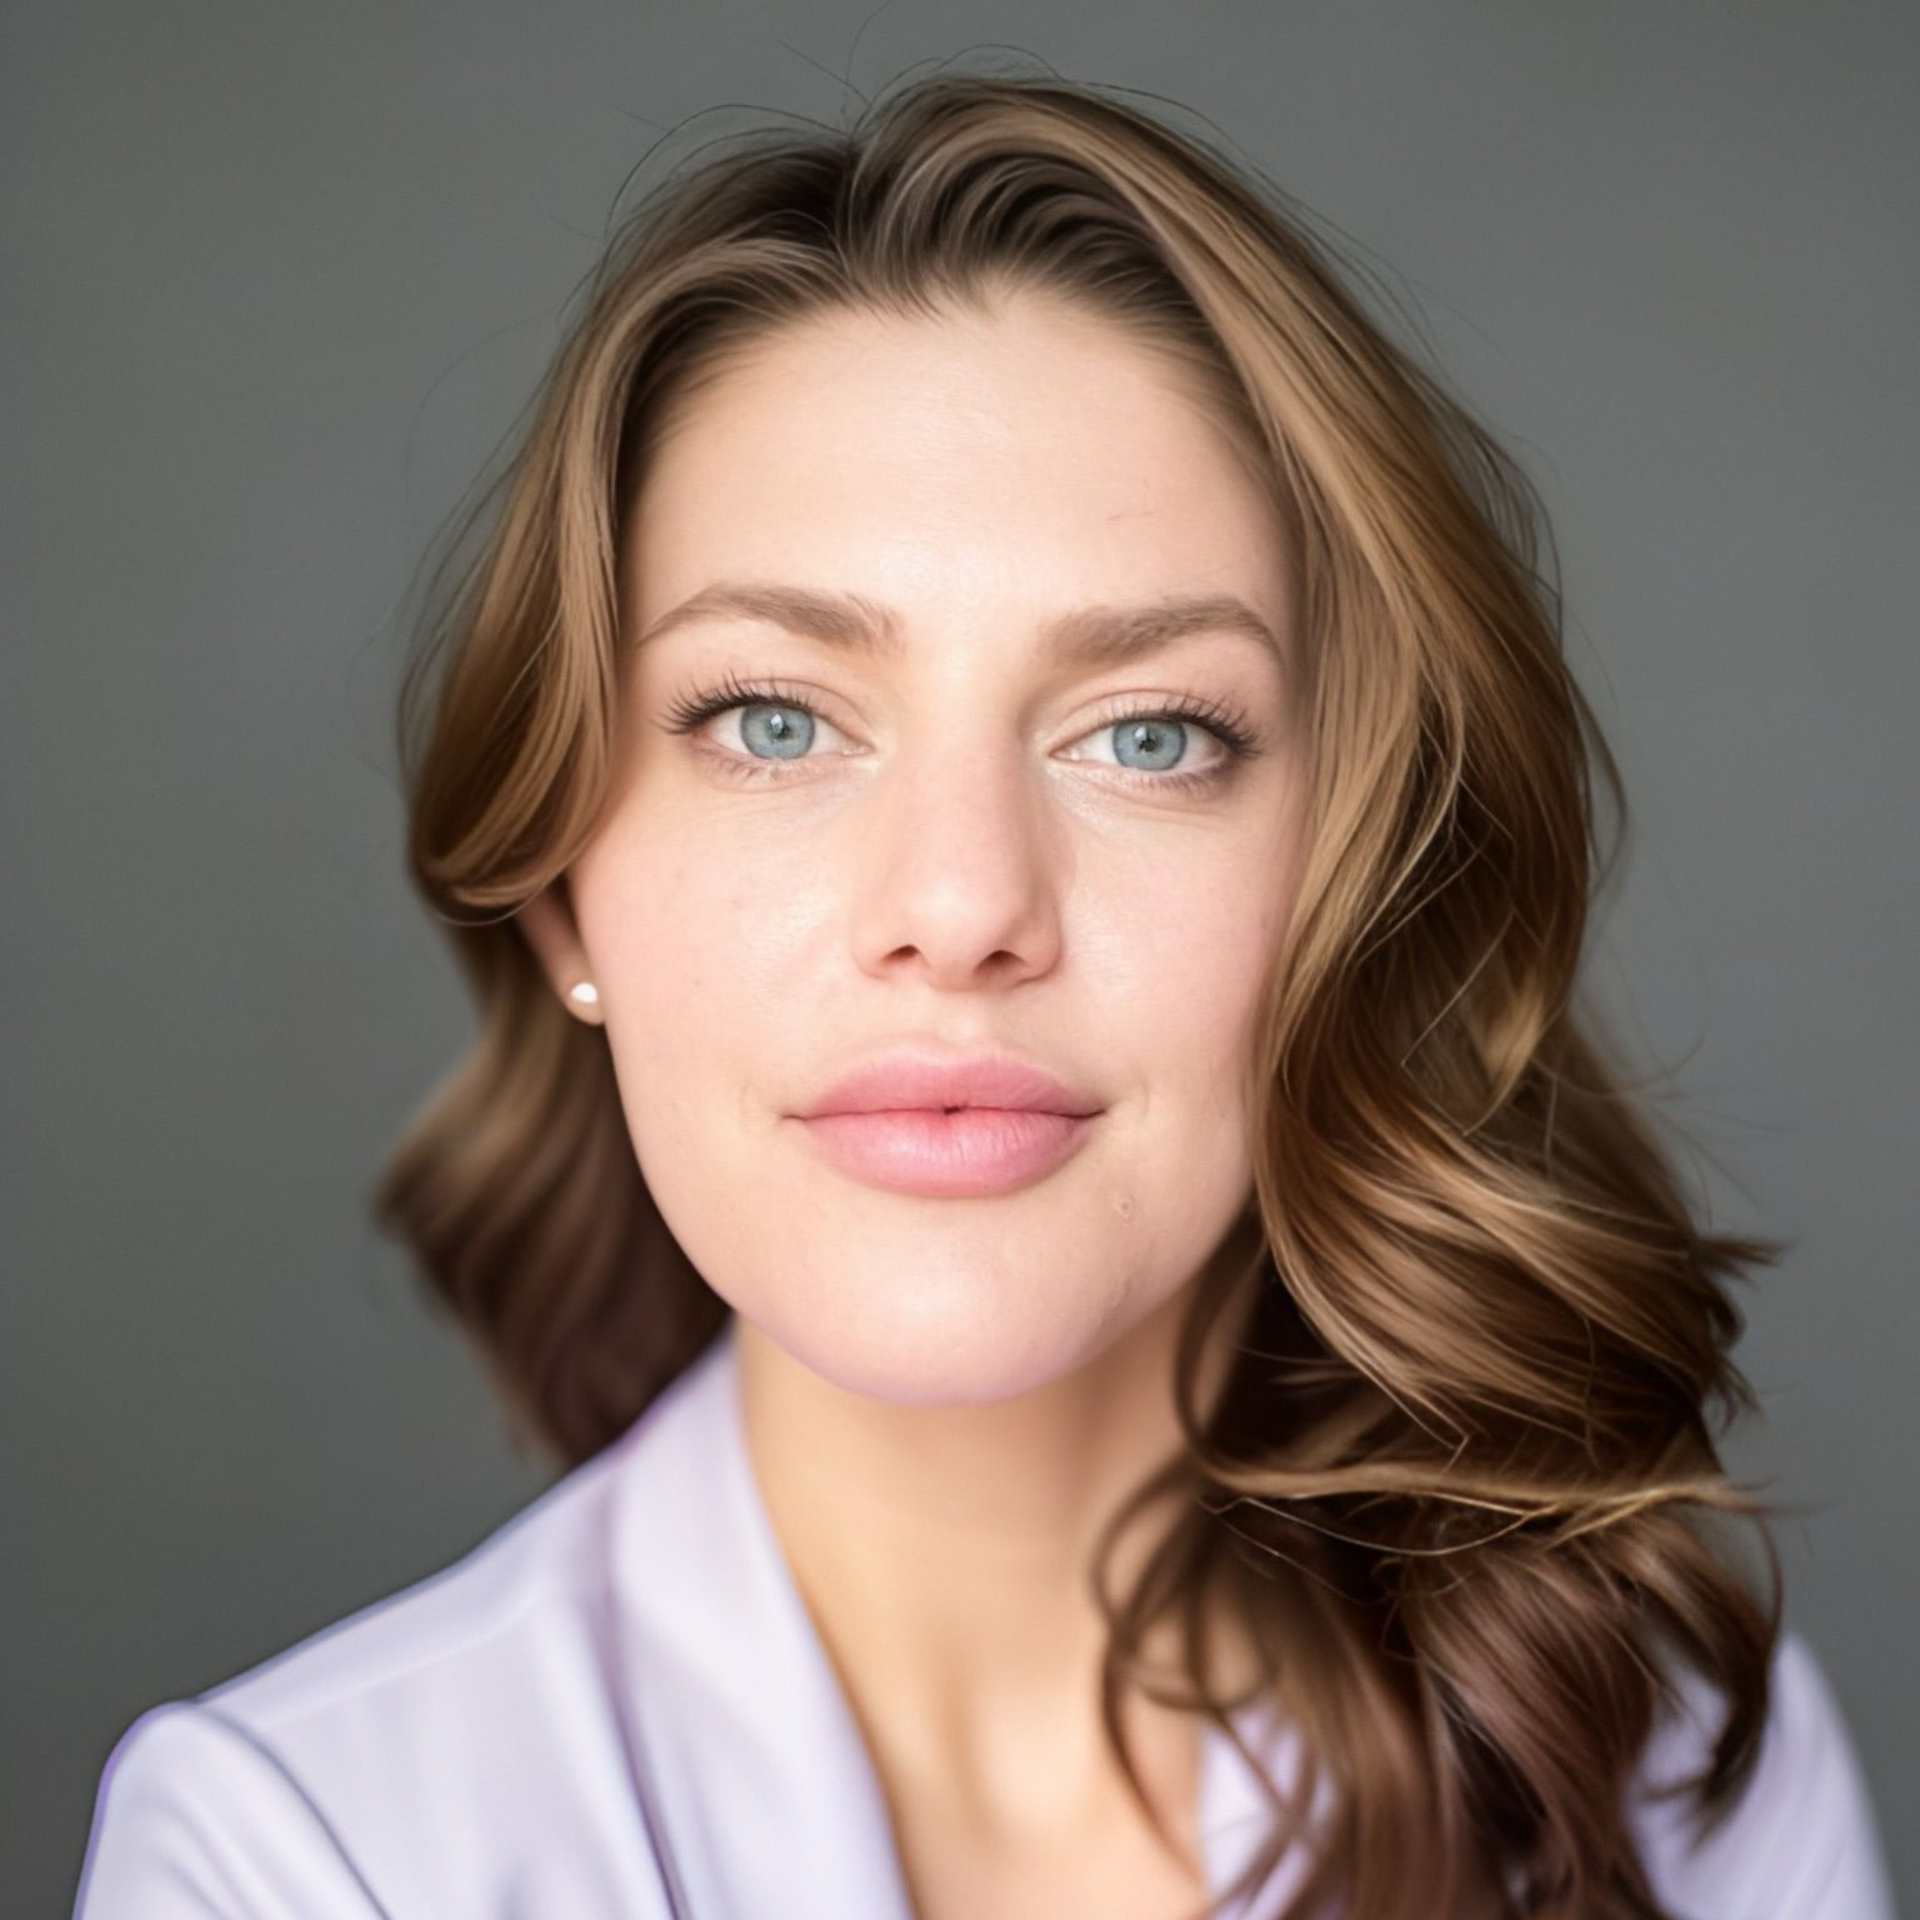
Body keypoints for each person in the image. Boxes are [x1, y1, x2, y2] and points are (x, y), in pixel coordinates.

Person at [72, 68, 1897, 1920]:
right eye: (773, 721)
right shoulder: (293, 1858)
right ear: (564, 906)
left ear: (1365, 881)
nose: (960, 907)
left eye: (1151, 733)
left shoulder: (1676, 1775)